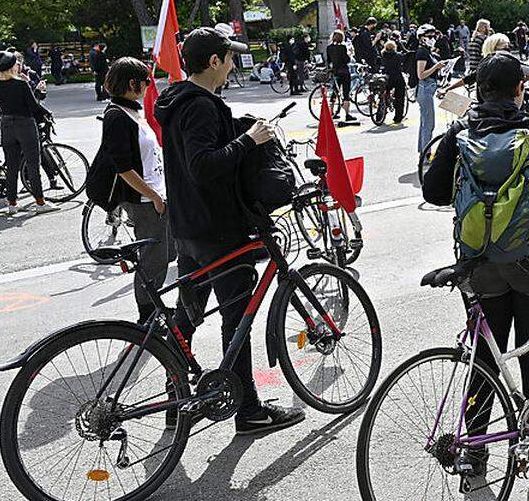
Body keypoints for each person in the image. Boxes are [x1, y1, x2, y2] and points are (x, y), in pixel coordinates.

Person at [153, 26, 304, 435]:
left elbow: (195, 152)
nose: (233, 65)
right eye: (230, 58)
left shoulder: (180, 102)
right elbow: (203, 165)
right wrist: (250, 141)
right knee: (236, 319)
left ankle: (176, 400)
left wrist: (237, 126)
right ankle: (249, 411)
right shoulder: (200, 105)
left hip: (187, 226)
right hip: (218, 227)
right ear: (214, 62)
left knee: (188, 314)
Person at [421, 52, 529, 469]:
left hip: (478, 264)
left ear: (478, 91)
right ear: (520, 90)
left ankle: (476, 446)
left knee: (484, 357)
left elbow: (432, 192)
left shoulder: (457, 135)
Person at [93, 57, 175, 322]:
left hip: (156, 192)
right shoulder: (117, 116)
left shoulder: (132, 110)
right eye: (146, 81)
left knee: (167, 252)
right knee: (154, 260)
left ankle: (154, 307)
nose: (149, 85)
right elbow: (123, 168)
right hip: (142, 199)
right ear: (132, 83)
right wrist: (153, 197)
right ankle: (148, 315)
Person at [0, 50, 57, 215]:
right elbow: (33, 106)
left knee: (11, 166)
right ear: (12, 67)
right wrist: (45, 111)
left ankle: (12, 203)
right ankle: (40, 202)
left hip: (6, 125)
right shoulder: (20, 84)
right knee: (33, 164)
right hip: (24, 124)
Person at [415, 24, 451, 155]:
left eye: (433, 36)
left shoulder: (428, 51)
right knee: (428, 124)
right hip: (425, 89)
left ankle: (423, 151)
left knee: (425, 123)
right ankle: (426, 154)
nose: (432, 38)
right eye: (429, 36)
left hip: (429, 88)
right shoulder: (422, 52)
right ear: (421, 38)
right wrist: (435, 67)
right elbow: (421, 74)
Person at [325, 29, 359, 126]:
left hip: (335, 71)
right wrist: (350, 54)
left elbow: (328, 60)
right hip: (344, 71)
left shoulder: (329, 48)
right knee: (346, 92)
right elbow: (347, 60)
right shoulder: (343, 47)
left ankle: (332, 112)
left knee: (335, 91)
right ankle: (347, 114)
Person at [379, 39, 409, 124]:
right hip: (397, 77)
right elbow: (405, 57)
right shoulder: (398, 55)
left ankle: (379, 115)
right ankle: (398, 117)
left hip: (386, 78)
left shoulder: (383, 55)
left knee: (383, 95)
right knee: (400, 97)